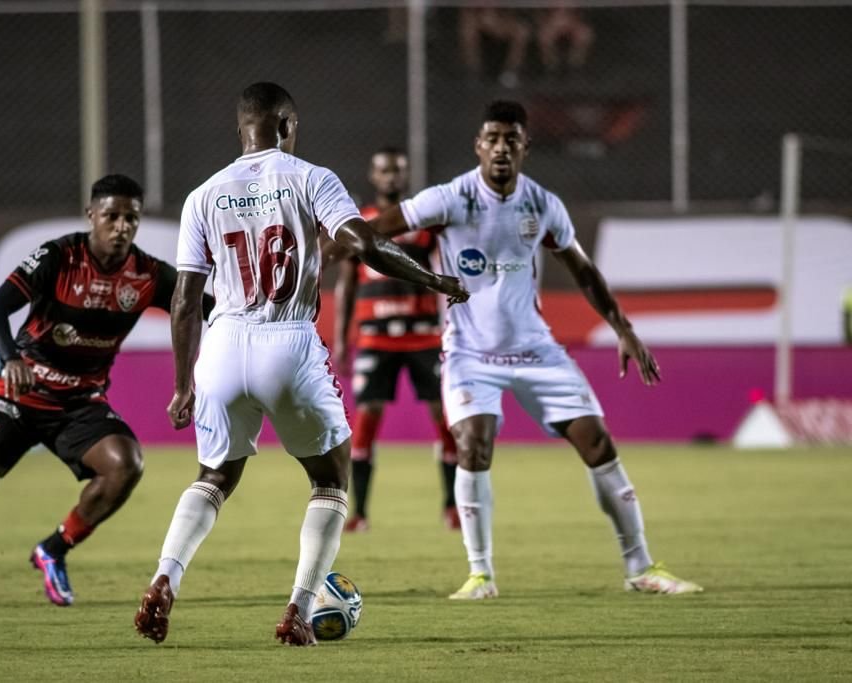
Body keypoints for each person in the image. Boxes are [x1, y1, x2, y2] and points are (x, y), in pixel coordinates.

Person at [133, 82, 468, 647]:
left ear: (241, 129)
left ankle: (165, 576)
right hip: (287, 338)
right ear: (287, 125)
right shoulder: (312, 178)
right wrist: (433, 279)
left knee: (214, 477)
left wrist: (182, 384)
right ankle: (298, 608)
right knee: (330, 480)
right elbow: (365, 245)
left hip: (222, 345)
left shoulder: (202, 195)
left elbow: (185, 299)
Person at [367, 100, 703, 599]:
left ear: (525, 147)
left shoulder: (543, 205)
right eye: (492, 139)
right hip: (470, 353)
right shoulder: (451, 198)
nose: (501, 148)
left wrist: (624, 328)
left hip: (536, 349)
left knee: (598, 444)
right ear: (479, 146)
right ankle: (480, 575)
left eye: (511, 139)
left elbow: (583, 270)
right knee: (473, 443)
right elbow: (371, 233)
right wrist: (407, 272)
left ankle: (640, 567)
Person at [0, 174, 211, 608]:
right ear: (91, 215)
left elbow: (204, 307)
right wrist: (10, 359)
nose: (121, 227)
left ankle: (53, 549)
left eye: (130, 219)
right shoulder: (59, 256)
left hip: (80, 403)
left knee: (125, 465)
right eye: (111, 216)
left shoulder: (147, 274)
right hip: (20, 396)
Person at [333, 147, 459, 533]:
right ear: (374, 175)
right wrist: (341, 339)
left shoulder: (422, 221)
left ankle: (452, 506)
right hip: (375, 336)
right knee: (366, 419)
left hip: (423, 335)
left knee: (444, 416)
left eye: (397, 170)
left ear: (405, 176)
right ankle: (359, 512)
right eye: (384, 170)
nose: (391, 176)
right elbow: (347, 282)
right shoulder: (359, 222)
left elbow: (447, 268)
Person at [459, 6, 532, 89]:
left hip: (504, 20)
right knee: (468, 28)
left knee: (522, 32)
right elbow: (467, 11)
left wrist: (501, 20)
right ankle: (473, 71)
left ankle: (510, 73)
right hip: (483, 19)